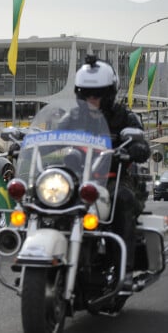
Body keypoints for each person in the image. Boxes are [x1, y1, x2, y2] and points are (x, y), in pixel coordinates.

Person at [64, 55, 150, 287]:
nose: (93, 98)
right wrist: (25, 144)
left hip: (116, 179)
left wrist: (133, 150)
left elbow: (142, 146)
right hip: (78, 180)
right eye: (87, 93)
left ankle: (125, 270)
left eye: (99, 93)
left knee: (122, 200)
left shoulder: (125, 117)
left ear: (110, 92)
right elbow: (50, 138)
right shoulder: (72, 117)